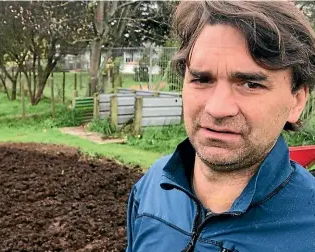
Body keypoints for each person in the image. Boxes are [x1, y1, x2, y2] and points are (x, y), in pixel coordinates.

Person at [125, 1, 315, 252]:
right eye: (202, 79)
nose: (217, 108)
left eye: (250, 84)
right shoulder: (152, 188)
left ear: (296, 101)